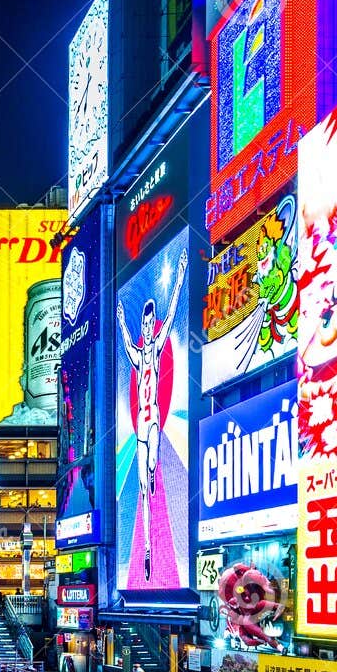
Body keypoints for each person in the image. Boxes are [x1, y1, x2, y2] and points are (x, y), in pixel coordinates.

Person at [116, 247, 187, 582]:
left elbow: (172, 314)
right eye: (143, 322)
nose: (146, 327)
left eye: (148, 322)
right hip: (141, 425)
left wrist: (181, 275)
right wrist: (119, 319)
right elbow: (127, 340)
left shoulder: (156, 350)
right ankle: (146, 548)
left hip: (153, 417)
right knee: (144, 487)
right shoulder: (137, 352)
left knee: (152, 470)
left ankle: (153, 478)